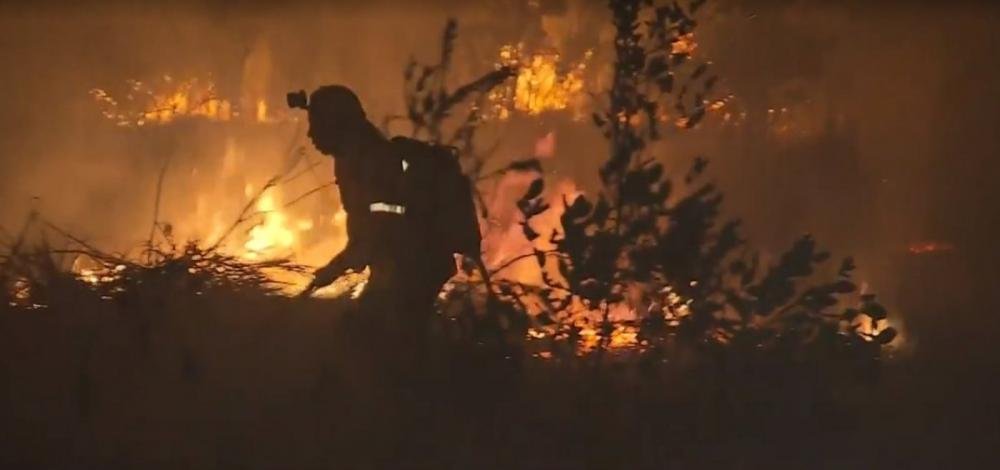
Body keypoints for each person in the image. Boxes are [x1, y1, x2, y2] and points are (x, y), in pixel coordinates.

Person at [289, 85, 481, 341]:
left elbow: (380, 227)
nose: (311, 134)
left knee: (369, 334)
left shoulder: (371, 160)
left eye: (316, 123)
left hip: (415, 264)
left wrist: (337, 267)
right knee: (379, 335)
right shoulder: (352, 157)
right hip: (402, 264)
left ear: (337, 124)